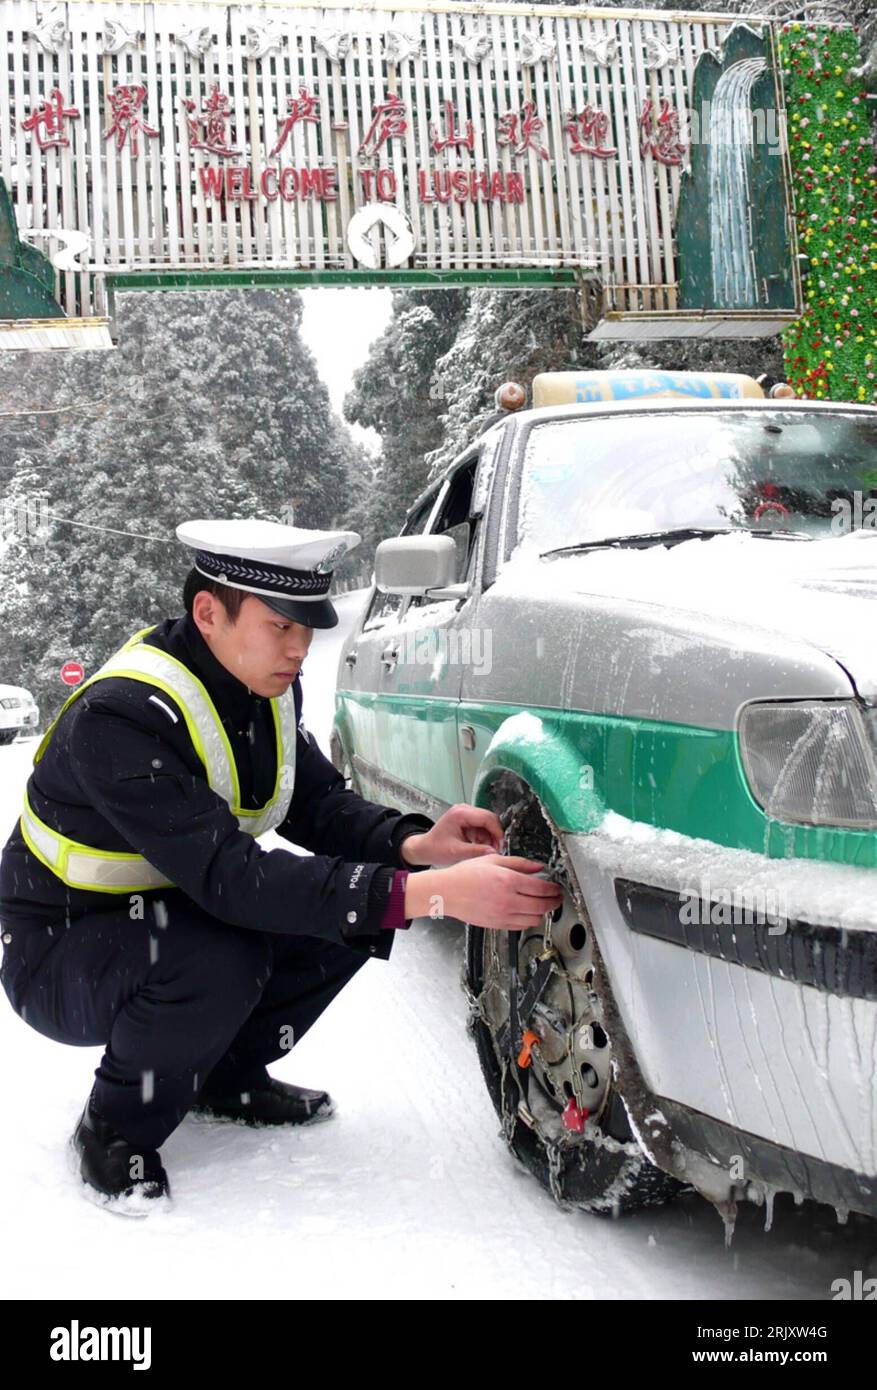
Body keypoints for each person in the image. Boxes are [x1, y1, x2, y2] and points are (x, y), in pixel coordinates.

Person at [0, 518, 561, 1213]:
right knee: (225, 950)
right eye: (280, 627)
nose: (300, 648)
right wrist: (431, 895)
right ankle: (116, 1127)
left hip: (169, 909)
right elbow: (232, 878)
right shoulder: (122, 717)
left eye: (308, 629)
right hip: (57, 951)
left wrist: (415, 847)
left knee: (352, 914)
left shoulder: (262, 685)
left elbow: (316, 802)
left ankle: (223, 1074)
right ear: (209, 613)